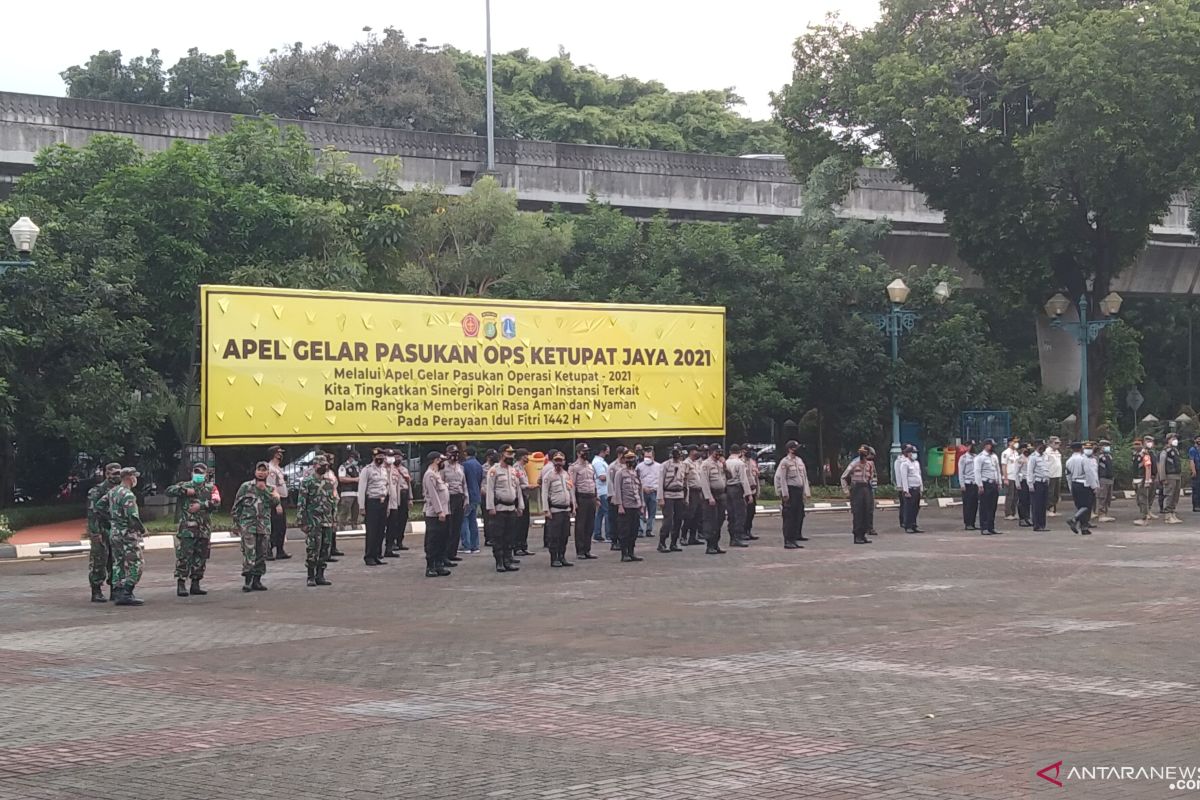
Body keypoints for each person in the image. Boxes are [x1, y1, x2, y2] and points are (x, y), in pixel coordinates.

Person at [165, 461, 219, 597]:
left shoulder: (210, 488)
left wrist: (201, 505)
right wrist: (184, 491)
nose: (198, 475)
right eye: (196, 472)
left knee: (201, 557)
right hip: (187, 529)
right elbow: (169, 491)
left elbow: (217, 502)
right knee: (184, 556)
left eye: (201, 473)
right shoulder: (186, 486)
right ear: (192, 473)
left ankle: (196, 583)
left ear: (206, 475)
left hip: (204, 529)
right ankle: (181, 583)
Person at [233, 461, 276, 592]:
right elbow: (237, 505)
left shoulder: (271, 488)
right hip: (248, 525)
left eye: (264, 470)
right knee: (249, 552)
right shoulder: (246, 487)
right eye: (259, 470)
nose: (261, 473)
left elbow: (276, 502)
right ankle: (248, 580)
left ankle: (257, 580)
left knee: (262, 553)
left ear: (268, 473)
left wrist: (265, 492)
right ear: (255, 472)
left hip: (264, 526)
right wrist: (236, 524)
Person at [106, 467, 146, 606]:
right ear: (129, 477)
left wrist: (113, 520)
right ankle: (127, 592)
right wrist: (142, 531)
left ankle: (118, 591)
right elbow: (132, 517)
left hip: (115, 533)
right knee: (136, 562)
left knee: (118, 562)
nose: (136, 479)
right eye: (135, 476)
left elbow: (99, 506)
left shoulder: (112, 492)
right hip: (127, 534)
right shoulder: (128, 495)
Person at [297, 454, 336, 587]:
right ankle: (311, 575)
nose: (324, 467)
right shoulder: (307, 482)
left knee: (325, 547)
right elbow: (302, 502)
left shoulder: (329, 483)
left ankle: (321, 575)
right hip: (313, 520)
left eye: (326, 465)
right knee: (313, 548)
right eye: (321, 465)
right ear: (315, 466)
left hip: (327, 520)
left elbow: (332, 502)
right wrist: (301, 520)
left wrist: (333, 518)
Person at [85, 462, 121, 602]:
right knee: (99, 560)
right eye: (114, 474)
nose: (117, 476)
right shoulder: (97, 491)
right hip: (101, 529)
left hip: (115, 529)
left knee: (116, 560)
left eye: (119, 473)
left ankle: (115, 588)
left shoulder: (121, 490)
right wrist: (95, 533)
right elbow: (92, 513)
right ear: (107, 474)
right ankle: (96, 589)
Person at [487, 445, 523, 573]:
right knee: (498, 537)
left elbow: (517, 489)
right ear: (502, 454)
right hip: (499, 508)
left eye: (512, 454)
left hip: (511, 508)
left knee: (510, 537)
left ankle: (508, 560)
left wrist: (520, 506)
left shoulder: (513, 471)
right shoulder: (494, 470)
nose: (511, 456)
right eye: (509, 453)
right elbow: (490, 490)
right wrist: (490, 507)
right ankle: (500, 562)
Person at [357, 447, 391, 566]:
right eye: (378, 458)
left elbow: (387, 486)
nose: (380, 459)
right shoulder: (367, 470)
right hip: (372, 502)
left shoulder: (385, 469)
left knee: (381, 530)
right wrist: (361, 506)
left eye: (382, 457)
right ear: (373, 457)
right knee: (372, 531)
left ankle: (377, 554)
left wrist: (388, 505)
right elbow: (361, 489)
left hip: (383, 502)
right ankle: (369, 556)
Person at [774, 440, 810, 549]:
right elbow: (782, 479)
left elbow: (804, 477)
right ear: (790, 449)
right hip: (790, 491)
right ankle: (788, 540)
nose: (797, 449)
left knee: (797, 516)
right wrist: (784, 493)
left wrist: (806, 492)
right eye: (795, 447)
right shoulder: (785, 462)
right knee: (789, 517)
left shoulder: (799, 461)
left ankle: (794, 539)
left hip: (798, 491)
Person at [542, 452, 576, 567]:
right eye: (556, 460)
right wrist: (546, 510)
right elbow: (544, 493)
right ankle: (554, 558)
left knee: (564, 536)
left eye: (560, 460)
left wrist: (574, 506)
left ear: (564, 462)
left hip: (565, 510)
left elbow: (571, 490)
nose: (558, 463)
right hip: (555, 511)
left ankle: (562, 557)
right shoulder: (549, 476)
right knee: (554, 536)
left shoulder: (566, 475)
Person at [422, 451, 453, 578]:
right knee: (433, 541)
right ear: (436, 460)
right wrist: (440, 511)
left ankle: (439, 564)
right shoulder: (430, 475)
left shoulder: (437, 474)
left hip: (444, 512)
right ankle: (431, 566)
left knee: (442, 540)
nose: (443, 463)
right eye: (442, 460)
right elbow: (433, 495)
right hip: (435, 514)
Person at [569, 444, 599, 560]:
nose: (586, 453)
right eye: (583, 451)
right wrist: (574, 501)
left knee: (590, 525)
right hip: (581, 497)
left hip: (591, 496)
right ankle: (580, 550)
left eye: (587, 451)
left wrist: (596, 497)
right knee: (581, 525)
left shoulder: (590, 466)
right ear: (578, 453)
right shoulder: (574, 467)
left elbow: (593, 482)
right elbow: (572, 485)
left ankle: (587, 549)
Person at [614, 448, 645, 562]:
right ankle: (624, 553)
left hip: (635, 505)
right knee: (624, 531)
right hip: (625, 506)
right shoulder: (620, 473)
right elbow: (617, 490)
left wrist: (641, 505)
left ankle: (631, 552)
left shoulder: (636, 473)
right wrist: (619, 505)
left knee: (634, 531)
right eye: (628, 458)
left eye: (632, 458)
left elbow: (639, 489)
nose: (631, 460)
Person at [840, 445, 875, 544]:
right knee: (858, 513)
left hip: (866, 488)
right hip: (857, 489)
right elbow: (843, 477)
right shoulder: (854, 464)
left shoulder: (869, 465)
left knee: (866, 512)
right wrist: (846, 490)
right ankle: (857, 536)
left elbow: (871, 476)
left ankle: (863, 535)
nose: (863, 455)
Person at [441, 445, 469, 562]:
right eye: (453, 453)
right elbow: (441, 482)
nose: (455, 455)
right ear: (447, 454)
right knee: (449, 526)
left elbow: (464, 483)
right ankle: (446, 553)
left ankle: (453, 552)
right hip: (449, 497)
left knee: (457, 526)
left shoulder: (460, 467)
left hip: (459, 496)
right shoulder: (443, 467)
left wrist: (466, 497)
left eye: (457, 453)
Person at [657, 445, 687, 553]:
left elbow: (685, 482)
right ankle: (662, 542)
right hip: (668, 495)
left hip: (679, 495)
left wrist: (686, 497)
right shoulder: (665, 465)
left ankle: (674, 542)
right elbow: (660, 482)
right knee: (668, 521)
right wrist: (660, 498)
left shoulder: (683, 465)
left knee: (679, 520)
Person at [1065, 441, 1098, 535]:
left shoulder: (1069, 461)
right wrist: (1094, 486)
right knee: (1087, 506)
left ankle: (1084, 527)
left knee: (1080, 506)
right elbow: (1089, 473)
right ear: (1081, 448)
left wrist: (1070, 487)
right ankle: (1074, 519)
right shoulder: (1084, 459)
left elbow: (1068, 475)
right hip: (1084, 484)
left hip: (1075, 483)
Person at [700, 443, 728, 554]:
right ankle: (710, 545)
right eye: (717, 452)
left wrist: (724, 465)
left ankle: (716, 544)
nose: (719, 454)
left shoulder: (720, 464)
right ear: (711, 452)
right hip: (712, 496)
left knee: (720, 520)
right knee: (711, 521)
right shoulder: (706, 464)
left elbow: (728, 477)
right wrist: (709, 497)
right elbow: (704, 482)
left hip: (721, 495)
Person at [265, 446, 291, 561]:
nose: (281, 455)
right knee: (274, 525)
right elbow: (272, 487)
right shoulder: (270, 469)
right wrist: (277, 503)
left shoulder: (278, 468)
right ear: (275, 454)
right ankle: (269, 550)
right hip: (276, 500)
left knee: (281, 526)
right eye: (279, 453)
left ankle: (280, 550)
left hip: (282, 499)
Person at [384, 449, 412, 556]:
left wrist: (410, 498)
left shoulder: (404, 469)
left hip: (403, 495)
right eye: (397, 456)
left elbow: (409, 484)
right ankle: (392, 542)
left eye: (400, 456)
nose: (399, 458)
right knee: (393, 522)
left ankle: (400, 541)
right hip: (394, 497)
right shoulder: (389, 469)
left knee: (403, 519)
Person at [724, 444, 753, 547]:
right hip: (737, 488)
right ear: (740, 452)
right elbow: (744, 479)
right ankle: (737, 536)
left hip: (727, 489)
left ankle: (732, 536)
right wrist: (748, 494)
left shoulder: (725, 462)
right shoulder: (740, 463)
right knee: (740, 514)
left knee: (731, 514)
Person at [974, 439, 1002, 535]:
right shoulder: (980, 457)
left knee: (993, 507)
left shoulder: (994, 456)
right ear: (986, 445)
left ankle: (991, 527)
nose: (993, 447)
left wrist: (999, 482)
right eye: (991, 445)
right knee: (984, 506)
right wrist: (980, 485)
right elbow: (977, 472)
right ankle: (984, 527)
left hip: (994, 483)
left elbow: (997, 470)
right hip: (985, 484)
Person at [897, 444, 924, 533]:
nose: (914, 454)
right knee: (909, 508)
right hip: (910, 489)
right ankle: (908, 526)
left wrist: (921, 488)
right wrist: (905, 491)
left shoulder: (916, 463)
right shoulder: (904, 464)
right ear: (908, 453)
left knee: (916, 508)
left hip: (917, 488)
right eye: (913, 452)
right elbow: (904, 478)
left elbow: (919, 476)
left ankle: (913, 525)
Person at [636, 446, 662, 539]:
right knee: (641, 511)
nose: (647, 459)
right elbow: (637, 479)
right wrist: (643, 488)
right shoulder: (639, 466)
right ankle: (640, 530)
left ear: (653, 457)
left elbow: (660, 480)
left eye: (649, 457)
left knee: (652, 512)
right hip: (642, 491)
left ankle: (649, 530)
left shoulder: (659, 466)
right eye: (646, 457)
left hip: (654, 491)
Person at [461, 447, 484, 554]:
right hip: (476, 495)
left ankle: (467, 545)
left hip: (468, 495)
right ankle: (475, 545)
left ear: (466, 453)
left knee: (464, 520)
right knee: (473, 520)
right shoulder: (479, 465)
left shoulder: (465, 465)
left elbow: (463, 481)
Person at [682, 444, 706, 546]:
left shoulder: (697, 463)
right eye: (696, 451)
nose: (698, 453)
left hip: (699, 491)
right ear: (691, 451)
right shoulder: (686, 463)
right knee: (689, 516)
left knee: (697, 516)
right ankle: (683, 537)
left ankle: (693, 537)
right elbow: (684, 479)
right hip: (691, 491)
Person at [1158, 433, 1184, 524]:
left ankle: (1173, 513)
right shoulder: (1165, 451)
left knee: (1175, 496)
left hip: (1177, 475)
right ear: (1168, 440)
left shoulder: (1175, 450)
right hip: (1169, 476)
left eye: (1176, 438)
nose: (1175, 440)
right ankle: (1167, 516)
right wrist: (1163, 478)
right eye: (1173, 438)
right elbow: (1161, 466)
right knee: (1169, 495)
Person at [513, 449, 534, 557]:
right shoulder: (516, 468)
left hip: (525, 496)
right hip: (519, 498)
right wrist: (527, 486)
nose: (528, 458)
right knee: (519, 524)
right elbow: (515, 485)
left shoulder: (523, 468)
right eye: (526, 456)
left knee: (525, 523)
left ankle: (523, 546)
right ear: (521, 457)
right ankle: (517, 547)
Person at [336, 447, 361, 535]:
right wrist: (355, 480)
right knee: (344, 512)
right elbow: (341, 479)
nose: (356, 461)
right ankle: (341, 527)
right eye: (355, 459)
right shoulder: (343, 467)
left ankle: (355, 527)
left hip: (356, 493)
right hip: (347, 493)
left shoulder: (357, 467)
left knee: (356, 512)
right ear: (351, 458)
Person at [1133, 436, 1157, 526]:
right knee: (1140, 499)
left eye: (1138, 444)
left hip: (1143, 479)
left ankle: (1144, 518)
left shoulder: (1145, 454)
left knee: (1143, 499)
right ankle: (1144, 516)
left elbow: (1148, 468)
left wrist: (1147, 480)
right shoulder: (1136, 454)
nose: (1136, 446)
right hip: (1137, 479)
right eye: (1135, 444)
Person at [591, 444, 611, 543]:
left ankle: (597, 534)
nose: (608, 452)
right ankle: (608, 535)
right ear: (602, 451)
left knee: (600, 513)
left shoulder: (599, 461)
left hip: (602, 490)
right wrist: (612, 476)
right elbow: (602, 477)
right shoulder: (598, 462)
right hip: (603, 490)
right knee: (607, 512)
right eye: (607, 450)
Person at [1029, 440, 1050, 532]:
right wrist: (1030, 484)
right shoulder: (1033, 457)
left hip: (1044, 482)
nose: (1043, 448)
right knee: (1037, 505)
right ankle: (1037, 525)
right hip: (1036, 483)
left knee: (1043, 505)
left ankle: (1042, 524)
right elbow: (1030, 471)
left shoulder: (1044, 456)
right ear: (1037, 446)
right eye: (1041, 446)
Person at [958, 443, 978, 531]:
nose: (971, 447)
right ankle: (968, 523)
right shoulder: (963, 458)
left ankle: (973, 523)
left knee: (974, 504)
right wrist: (962, 484)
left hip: (975, 483)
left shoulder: (976, 457)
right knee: (968, 505)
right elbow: (961, 472)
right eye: (969, 446)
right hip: (967, 483)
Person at [1095, 439, 1116, 523]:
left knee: (1108, 497)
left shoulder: (1109, 456)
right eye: (1105, 446)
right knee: (1102, 496)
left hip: (1109, 478)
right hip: (1102, 479)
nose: (1107, 447)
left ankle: (1105, 513)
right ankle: (1101, 514)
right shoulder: (1098, 457)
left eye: (1108, 446)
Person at [1001, 436, 1021, 521]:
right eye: (1014, 442)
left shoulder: (1016, 453)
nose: (1016, 443)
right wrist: (1005, 478)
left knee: (1016, 496)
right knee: (1010, 495)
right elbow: (1004, 466)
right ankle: (1008, 513)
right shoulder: (1006, 453)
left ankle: (1013, 512)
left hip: (1016, 477)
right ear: (1010, 443)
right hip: (1009, 477)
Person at [1045, 437, 1063, 516]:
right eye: (1055, 443)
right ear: (1050, 443)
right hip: (1050, 475)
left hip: (1057, 475)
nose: (1057, 445)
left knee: (1056, 493)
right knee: (1050, 493)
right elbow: (1045, 464)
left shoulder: (1057, 452)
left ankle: (1053, 509)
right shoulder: (1047, 452)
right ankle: (1048, 509)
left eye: (1058, 443)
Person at [745, 451, 761, 540]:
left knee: (751, 512)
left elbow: (756, 477)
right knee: (745, 513)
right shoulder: (741, 462)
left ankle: (748, 530)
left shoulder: (752, 462)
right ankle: (743, 532)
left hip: (753, 490)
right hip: (745, 492)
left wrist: (758, 491)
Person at [1016, 445, 1033, 528]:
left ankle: (1027, 517)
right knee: (1022, 500)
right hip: (1022, 481)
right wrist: (1017, 483)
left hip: (1029, 481)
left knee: (1028, 501)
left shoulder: (1031, 458)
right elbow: (1016, 471)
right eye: (1026, 449)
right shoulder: (1020, 459)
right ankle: (1022, 518)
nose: (1028, 450)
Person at [1190, 436, 1200, 513]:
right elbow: (1191, 460)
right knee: (1196, 488)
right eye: (1198, 439)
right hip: (1196, 470)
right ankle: (1196, 506)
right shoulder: (1192, 449)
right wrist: (1193, 471)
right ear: (1195, 440)